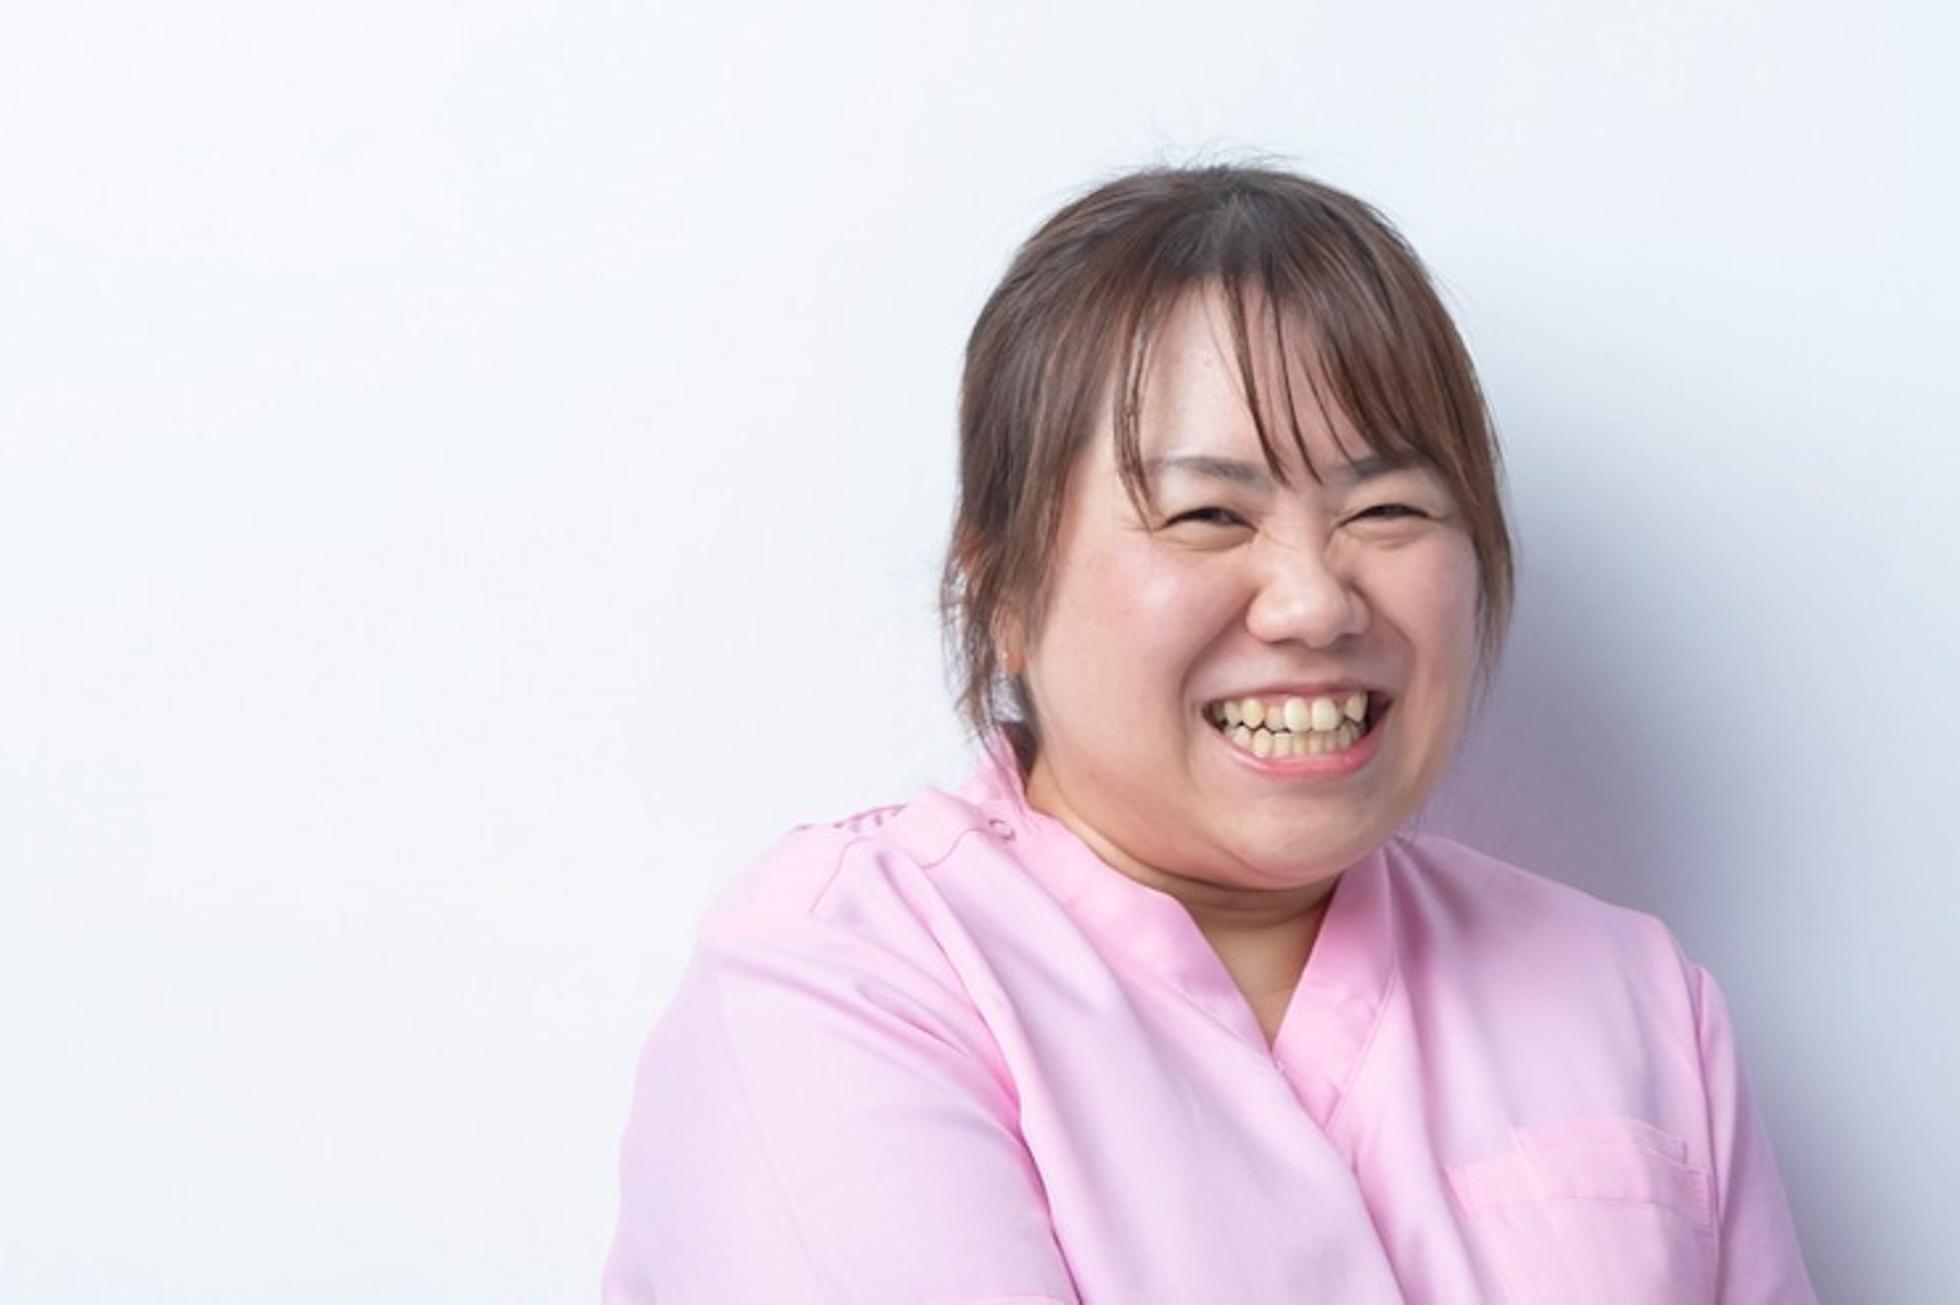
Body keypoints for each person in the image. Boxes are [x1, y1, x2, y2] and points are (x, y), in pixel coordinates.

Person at [602, 164, 1818, 1303]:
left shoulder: (1635, 996)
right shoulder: (847, 975)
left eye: (1387, 507)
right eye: (1207, 516)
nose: (1314, 602)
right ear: (1003, 593)